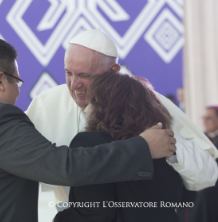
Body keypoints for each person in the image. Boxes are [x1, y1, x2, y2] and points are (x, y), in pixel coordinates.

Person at [0, 35, 175, 222]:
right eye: (17, 83)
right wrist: (142, 147)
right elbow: (64, 167)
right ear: (1, 80)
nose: (17, 94)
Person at [26, 29, 218, 205]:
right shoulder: (45, 104)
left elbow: (207, 174)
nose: (74, 85)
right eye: (68, 73)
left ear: (114, 71)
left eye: (85, 75)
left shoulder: (148, 102)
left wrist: (171, 147)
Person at [54, 71, 183, 222]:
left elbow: (93, 214)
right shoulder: (162, 144)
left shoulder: (90, 143)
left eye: (91, 100)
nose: (86, 107)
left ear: (102, 106)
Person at [189, 106, 218, 222]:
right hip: (202, 190)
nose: (205, 121)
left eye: (209, 118)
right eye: (203, 118)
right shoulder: (198, 139)